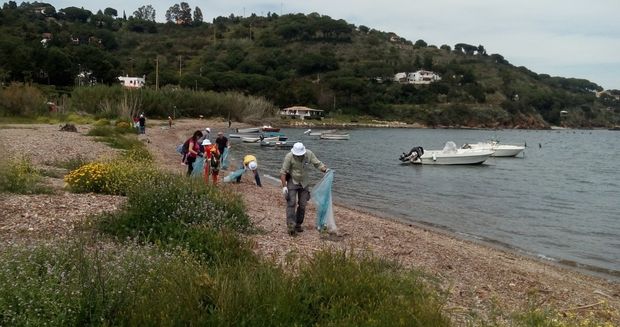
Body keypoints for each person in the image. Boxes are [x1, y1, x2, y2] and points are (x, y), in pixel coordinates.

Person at [280, 142, 328, 236]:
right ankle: (291, 225)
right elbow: (283, 172)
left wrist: (325, 169)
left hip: (304, 182)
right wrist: (284, 187)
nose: (299, 156)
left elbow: (317, 164)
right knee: (291, 202)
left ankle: (298, 224)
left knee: (302, 205)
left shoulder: (309, 154)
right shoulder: (289, 157)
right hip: (292, 181)